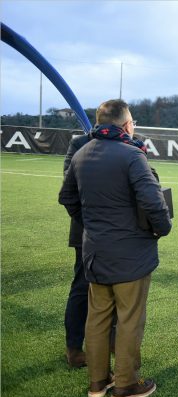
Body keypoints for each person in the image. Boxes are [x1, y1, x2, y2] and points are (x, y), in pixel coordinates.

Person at [59, 99, 171, 397]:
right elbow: (153, 202)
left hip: (95, 251)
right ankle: (126, 385)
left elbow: (67, 198)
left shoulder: (82, 153)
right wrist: (162, 228)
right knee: (129, 319)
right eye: (132, 121)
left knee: (97, 318)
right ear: (126, 124)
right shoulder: (132, 154)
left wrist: (92, 226)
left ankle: (97, 382)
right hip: (130, 254)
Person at [62, 133, 92, 368]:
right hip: (86, 232)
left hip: (119, 235)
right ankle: (73, 348)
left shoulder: (134, 143)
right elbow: (69, 189)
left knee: (118, 290)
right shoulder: (80, 143)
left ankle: (112, 341)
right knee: (82, 288)